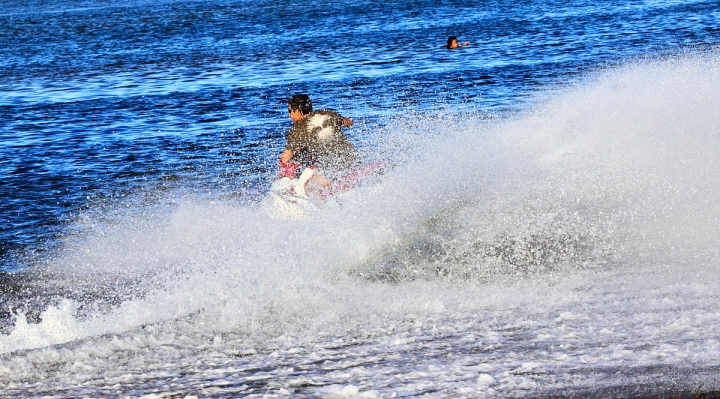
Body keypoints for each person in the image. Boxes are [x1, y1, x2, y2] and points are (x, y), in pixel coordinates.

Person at [278, 94, 359, 197]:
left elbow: (285, 159)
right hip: (352, 158)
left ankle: (326, 210)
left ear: (297, 111)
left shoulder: (297, 130)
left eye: (290, 111)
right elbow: (349, 122)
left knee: (308, 187)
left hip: (333, 167)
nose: (289, 115)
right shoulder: (327, 114)